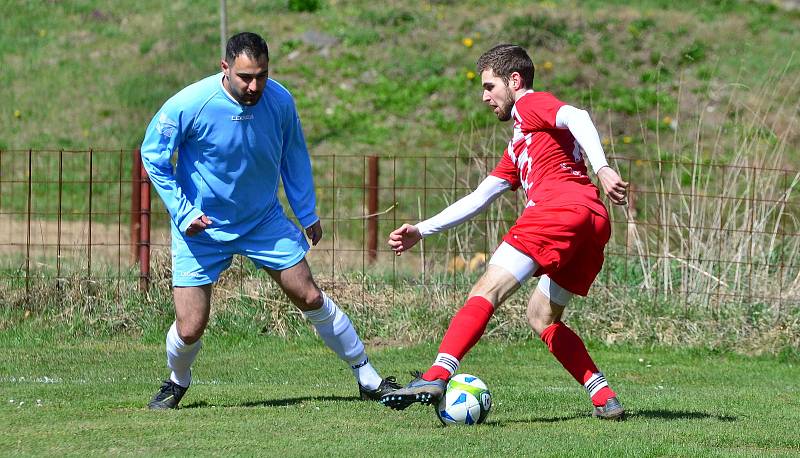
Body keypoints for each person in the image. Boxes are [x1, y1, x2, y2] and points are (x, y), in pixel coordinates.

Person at [140, 32, 399, 409]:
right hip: (202, 227)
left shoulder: (278, 100)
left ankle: (368, 377)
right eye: (245, 76)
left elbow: (294, 155)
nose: (254, 85)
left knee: (309, 294)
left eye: (261, 75)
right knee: (191, 326)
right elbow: (154, 156)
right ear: (225, 68)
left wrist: (306, 211)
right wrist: (183, 211)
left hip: (263, 221)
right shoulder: (191, 103)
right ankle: (177, 381)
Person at [380, 44, 629, 420]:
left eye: (489, 86)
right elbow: (480, 197)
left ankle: (435, 375)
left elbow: (577, 116)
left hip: (557, 211)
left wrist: (604, 167)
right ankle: (604, 396)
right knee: (541, 317)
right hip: (592, 220)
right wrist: (421, 229)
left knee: (485, 290)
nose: (485, 97)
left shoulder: (529, 104)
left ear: (514, 81)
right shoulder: (520, 143)